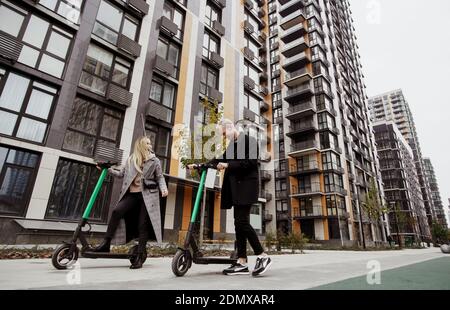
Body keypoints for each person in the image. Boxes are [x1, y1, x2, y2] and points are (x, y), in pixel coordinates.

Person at [188, 119, 272, 276]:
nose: (225, 137)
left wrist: (228, 165)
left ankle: (263, 255)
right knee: (239, 224)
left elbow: (251, 162)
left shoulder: (249, 140)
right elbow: (219, 159)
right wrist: (200, 165)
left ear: (231, 127)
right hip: (237, 190)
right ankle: (242, 262)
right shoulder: (232, 146)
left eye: (225, 133)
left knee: (241, 222)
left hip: (247, 187)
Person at [92, 136, 168, 269]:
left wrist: (164, 188)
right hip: (132, 195)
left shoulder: (154, 161)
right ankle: (106, 243)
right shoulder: (131, 159)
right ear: (141, 145)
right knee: (117, 211)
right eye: (148, 143)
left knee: (142, 225)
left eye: (150, 143)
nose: (151, 145)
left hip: (147, 196)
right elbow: (121, 174)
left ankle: (139, 256)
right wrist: (107, 169)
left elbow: (160, 177)